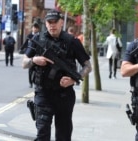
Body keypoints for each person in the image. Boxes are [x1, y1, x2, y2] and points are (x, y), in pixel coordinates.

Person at [22, 9, 92, 141]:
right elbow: (24, 63)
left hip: (64, 95)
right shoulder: (37, 38)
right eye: (49, 22)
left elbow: (88, 66)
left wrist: (73, 79)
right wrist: (34, 60)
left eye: (55, 22)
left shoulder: (72, 41)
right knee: (42, 134)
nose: (52, 25)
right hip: (43, 93)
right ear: (45, 23)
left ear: (61, 23)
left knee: (63, 135)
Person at [21, 23, 40, 88]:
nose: (35, 29)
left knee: (36, 70)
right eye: (34, 28)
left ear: (38, 29)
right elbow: (26, 43)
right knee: (30, 70)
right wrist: (22, 49)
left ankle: (35, 82)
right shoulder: (29, 35)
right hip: (30, 55)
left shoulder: (40, 36)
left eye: (36, 28)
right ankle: (30, 83)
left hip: (37, 54)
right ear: (32, 28)